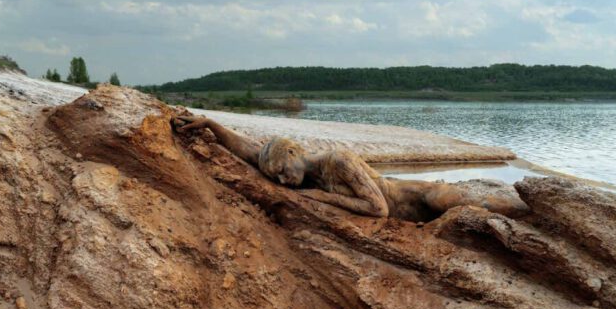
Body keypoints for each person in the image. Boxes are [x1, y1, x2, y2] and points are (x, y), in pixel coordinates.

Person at [173, 114, 529, 222]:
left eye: (284, 170)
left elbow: (379, 209)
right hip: (406, 210)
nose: (284, 180)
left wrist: (320, 198)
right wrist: (210, 126)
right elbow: (251, 152)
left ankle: (530, 212)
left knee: (477, 210)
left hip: (419, 196)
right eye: (278, 176)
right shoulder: (289, 167)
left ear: (296, 151)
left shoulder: (337, 160)